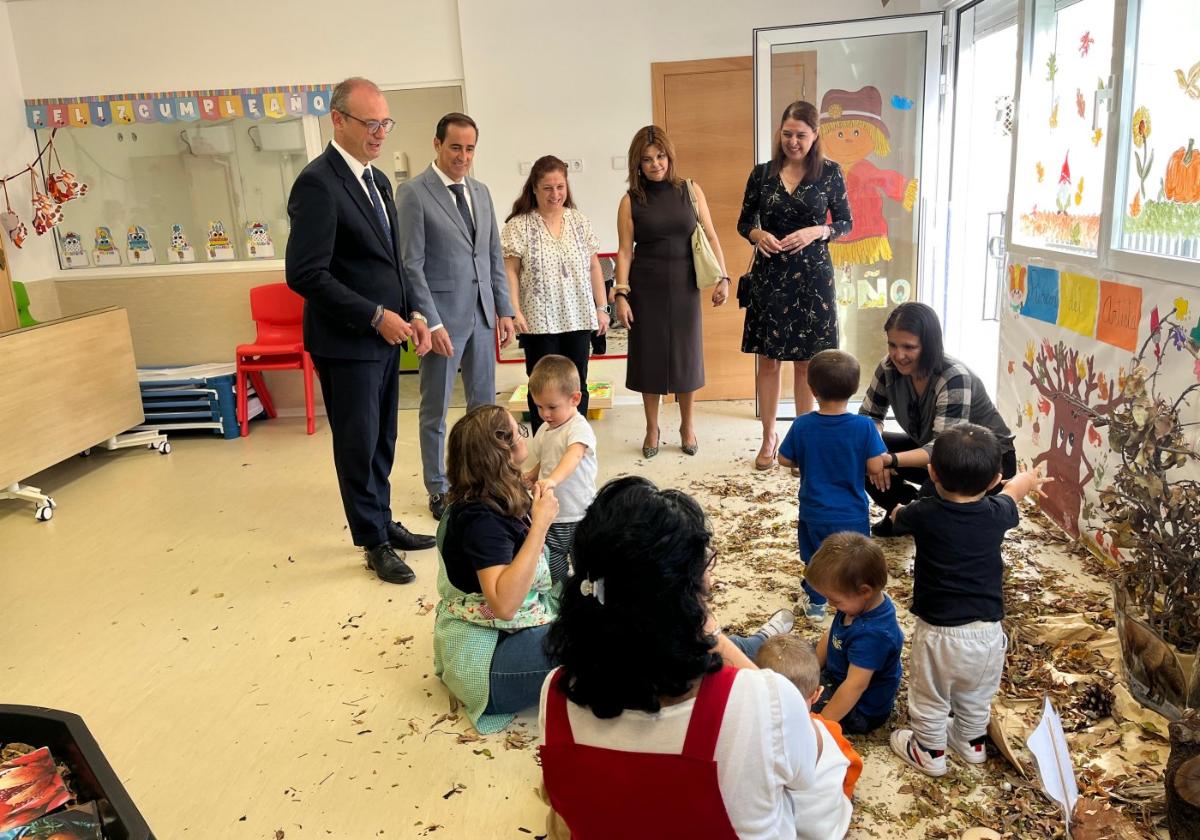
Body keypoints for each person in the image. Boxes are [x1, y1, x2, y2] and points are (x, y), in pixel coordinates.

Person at [538, 476, 804, 840]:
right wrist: (716, 639)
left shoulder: (555, 692)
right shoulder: (761, 698)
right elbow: (809, 766)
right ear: (689, 592)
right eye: (705, 568)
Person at [285, 76, 435, 585]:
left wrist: (411, 310)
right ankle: (372, 542)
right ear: (339, 120)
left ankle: (382, 521)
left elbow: (390, 261)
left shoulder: (377, 181)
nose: (379, 133)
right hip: (348, 342)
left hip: (387, 337)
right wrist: (374, 315)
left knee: (383, 439)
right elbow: (306, 274)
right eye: (370, 123)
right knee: (358, 441)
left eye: (384, 123)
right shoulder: (318, 183)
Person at [888, 425, 1051, 777]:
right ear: (994, 478)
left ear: (932, 472)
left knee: (930, 695)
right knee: (976, 693)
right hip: (988, 633)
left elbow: (900, 518)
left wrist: (897, 511)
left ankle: (929, 751)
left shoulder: (925, 513)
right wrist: (1031, 476)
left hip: (939, 633)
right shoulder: (998, 512)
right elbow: (1015, 489)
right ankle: (971, 742)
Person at [396, 112, 516, 522]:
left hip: (482, 316)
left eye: (469, 149)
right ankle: (438, 486)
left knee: (484, 409)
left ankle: (485, 482)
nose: (463, 156)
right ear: (436, 144)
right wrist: (431, 322)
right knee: (436, 407)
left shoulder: (481, 192)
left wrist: (504, 309)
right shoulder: (413, 193)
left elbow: (492, 256)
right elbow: (411, 264)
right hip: (441, 323)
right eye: (455, 148)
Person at [737, 100, 853, 471]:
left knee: (807, 364)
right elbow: (744, 221)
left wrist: (818, 230)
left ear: (815, 135)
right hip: (770, 276)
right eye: (787, 134)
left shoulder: (831, 173)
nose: (793, 142)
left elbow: (846, 223)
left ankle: (801, 440)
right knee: (768, 362)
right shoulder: (762, 174)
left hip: (813, 279)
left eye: (801, 135)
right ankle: (769, 437)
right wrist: (758, 235)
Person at [432, 405, 559, 734]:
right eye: (519, 431)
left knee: (597, 592)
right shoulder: (481, 520)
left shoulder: (490, 493)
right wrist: (539, 526)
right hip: (489, 663)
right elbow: (503, 605)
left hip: (503, 635)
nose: (523, 434)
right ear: (503, 451)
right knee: (603, 637)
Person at [613, 125, 731, 459]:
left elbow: (710, 235)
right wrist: (621, 294)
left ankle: (687, 426)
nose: (655, 164)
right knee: (649, 358)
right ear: (637, 164)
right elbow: (624, 251)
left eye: (660, 156)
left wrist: (723, 277)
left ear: (670, 156)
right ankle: (652, 427)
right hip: (645, 286)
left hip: (685, 283)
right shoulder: (631, 201)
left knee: (686, 357)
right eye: (647, 159)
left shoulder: (690, 190)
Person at [859, 302, 1016, 536]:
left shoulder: (953, 376)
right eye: (892, 344)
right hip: (935, 452)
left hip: (982, 461)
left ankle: (912, 514)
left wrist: (887, 460)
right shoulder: (888, 367)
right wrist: (874, 448)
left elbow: (944, 449)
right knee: (858, 446)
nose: (898, 355)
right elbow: (869, 416)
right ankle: (901, 510)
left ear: (929, 345)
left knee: (935, 515)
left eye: (909, 347)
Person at [501, 155, 610, 434]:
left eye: (560, 187)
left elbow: (594, 265)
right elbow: (510, 271)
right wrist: (515, 310)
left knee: (577, 385)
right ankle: (544, 443)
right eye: (548, 188)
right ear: (534, 188)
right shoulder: (519, 225)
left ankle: (577, 441)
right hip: (538, 321)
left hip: (577, 317)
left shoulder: (579, 221)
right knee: (541, 386)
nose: (555, 194)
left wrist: (601, 308)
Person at [777, 349, 886, 619]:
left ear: (812, 389)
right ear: (854, 388)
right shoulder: (864, 426)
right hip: (852, 511)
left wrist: (806, 459)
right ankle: (853, 600)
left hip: (815, 510)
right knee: (854, 559)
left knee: (816, 557)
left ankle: (816, 605)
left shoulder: (802, 425)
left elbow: (783, 459)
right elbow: (875, 466)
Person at [757, 635, 863, 840]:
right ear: (817, 694)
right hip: (832, 831)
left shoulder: (753, 735)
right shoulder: (827, 730)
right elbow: (853, 766)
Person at [805, 532, 904, 734]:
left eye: (835, 600)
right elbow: (831, 635)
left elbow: (854, 686)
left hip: (861, 710)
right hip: (839, 673)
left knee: (799, 709)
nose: (831, 605)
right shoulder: (857, 604)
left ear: (865, 591)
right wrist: (810, 671)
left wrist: (819, 727)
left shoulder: (874, 635)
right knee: (794, 661)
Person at [521, 355, 598, 585]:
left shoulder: (578, 428)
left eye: (552, 407)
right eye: (539, 407)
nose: (545, 414)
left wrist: (552, 480)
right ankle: (560, 597)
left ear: (575, 399)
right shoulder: (545, 428)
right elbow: (547, 458)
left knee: (585, 565)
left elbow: (572, 456)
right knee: (553, 565)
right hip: (551, 515)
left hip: (578, 514)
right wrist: (534, 474)